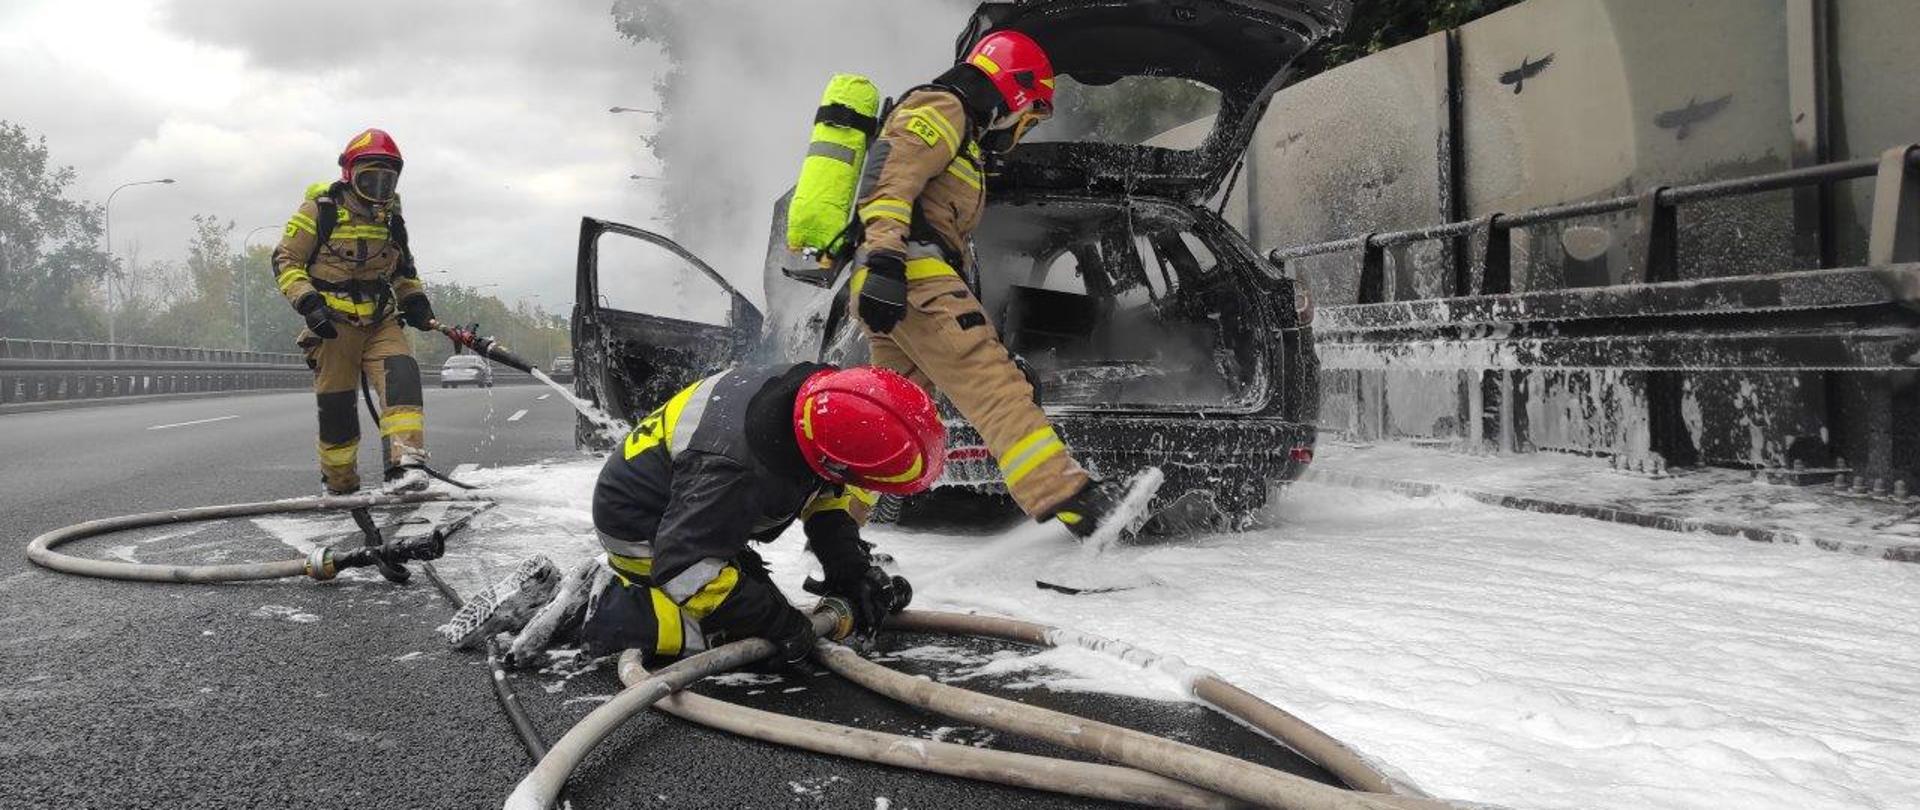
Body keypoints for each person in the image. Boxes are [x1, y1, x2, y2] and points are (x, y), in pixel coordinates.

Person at [441, 363, 943, 673]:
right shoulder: (735, 472)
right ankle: (597, 611)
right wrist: (783, 624)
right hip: (643, 533)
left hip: (688, 513)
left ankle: (599, 584)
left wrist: (847, 569)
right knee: (731, 632)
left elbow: (825, 491)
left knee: (752, 601)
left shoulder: (819, 399)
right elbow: (686, 568)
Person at [849, 29, 1133, 538]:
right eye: (1028, 116)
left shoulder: (964, 132)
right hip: (914, 275)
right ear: (1017, 89)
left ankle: (836, 532)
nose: (1020, 131)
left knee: (888, 419)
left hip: (903, 277)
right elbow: (891, 179)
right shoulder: (943, 105)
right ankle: (1068, 496)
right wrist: (886, 259)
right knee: (993, 382)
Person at [272, 128, 438, 495]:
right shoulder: (319, 211)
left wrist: (414, 300)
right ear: (350, 176)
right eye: (370, 180)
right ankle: (340, 482)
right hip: (332, 325)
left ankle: (405, 466)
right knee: (338, 410)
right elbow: (286, 261)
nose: (379, 190)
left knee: (403, 376)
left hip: (379, 322)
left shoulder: (392, 219)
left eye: (387, 181)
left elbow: (403, 271)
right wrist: (307, 302)